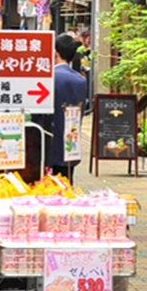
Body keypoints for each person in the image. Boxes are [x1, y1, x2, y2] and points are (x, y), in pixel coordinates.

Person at [48, 34, 88, 181]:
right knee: (67, 185)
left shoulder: (50, 76)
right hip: (71, 142)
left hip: (50, 144)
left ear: (55, 52)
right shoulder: (80, 80)